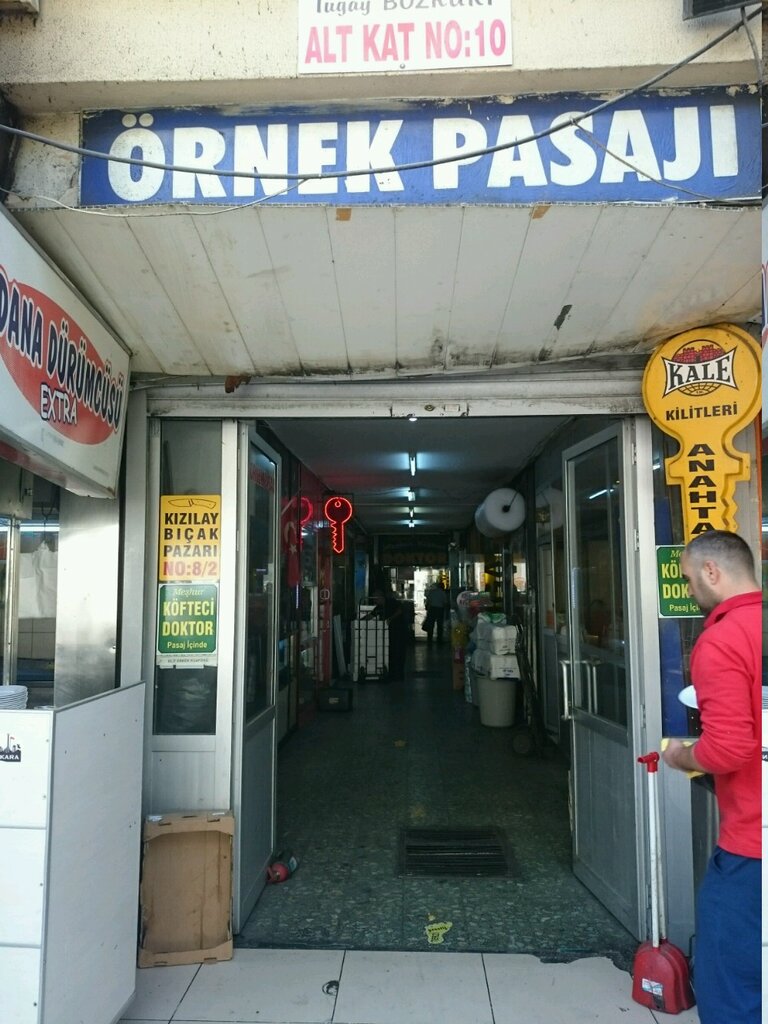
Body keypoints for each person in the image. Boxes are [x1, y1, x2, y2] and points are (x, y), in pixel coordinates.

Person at [660, 530, 760, 1024]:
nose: (688, 589)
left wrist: (682, 756)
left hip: (753, 841)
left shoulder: (723, 638)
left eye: (688, 578)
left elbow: (730, 747)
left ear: (712, 572)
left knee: (731, 979)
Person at [368, 586, 407, 682]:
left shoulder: (391, 602)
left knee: (398, 653)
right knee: (392, 652)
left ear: (380, 597)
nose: (374, 601)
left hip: (399, 630)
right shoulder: (379, 607)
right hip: (391, 632)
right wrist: (358, 621)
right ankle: (393, 674)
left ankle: (399, 675)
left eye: (375, 599)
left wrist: (390, 619)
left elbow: (400, 610)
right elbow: (371, 615)